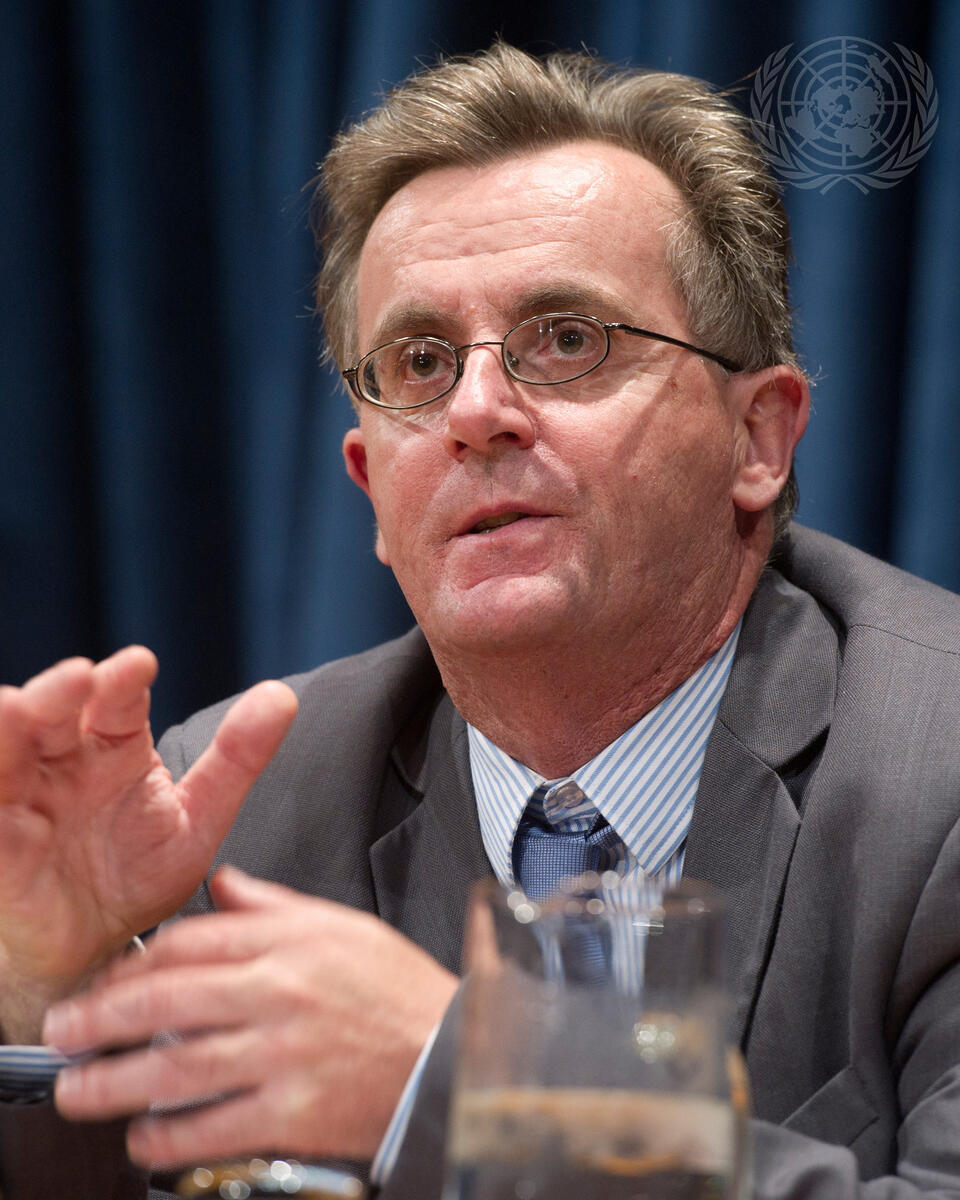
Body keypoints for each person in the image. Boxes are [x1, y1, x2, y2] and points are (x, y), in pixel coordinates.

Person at [2, 40, 959, 1200]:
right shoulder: (243, 810)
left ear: (758, 439)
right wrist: (50, 995)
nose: (476, 411)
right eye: (420, 360)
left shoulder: (937, 779)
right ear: (372, 488)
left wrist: (464, 1085)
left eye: (569, 338)